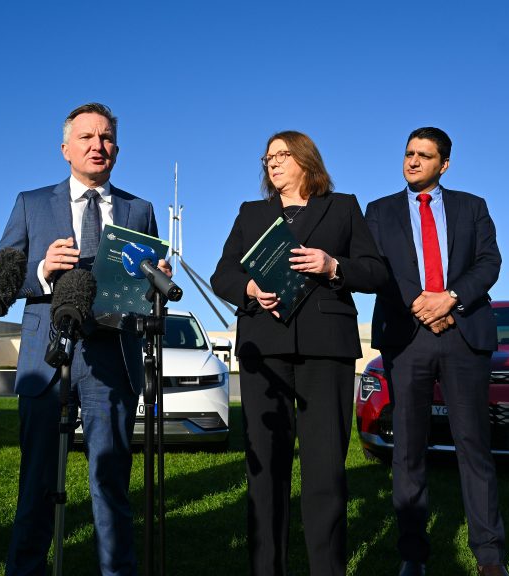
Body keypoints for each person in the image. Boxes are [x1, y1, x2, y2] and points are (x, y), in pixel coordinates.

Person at [0, 102, 170, 576]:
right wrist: (42, 271)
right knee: (36, 481)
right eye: (89, 138)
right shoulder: (31, 204)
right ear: (65, 149)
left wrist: (155, 280)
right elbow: (5, 278)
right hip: (47, 357)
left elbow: (145, 286)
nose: (99, 146)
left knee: (110, 481)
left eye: (108, 138)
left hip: (112, 358)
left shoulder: (141, 210)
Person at [210, 131, 387, 576]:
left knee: (325, 470)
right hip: (262, 350)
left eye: (282, 155)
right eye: (268, 157)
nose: (272, 163)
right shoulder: (251, 213)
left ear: (306, 160)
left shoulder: (342, 206)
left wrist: (334, 266)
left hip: (325, 350)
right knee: (265, 470)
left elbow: (376, 271)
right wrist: (249, 287)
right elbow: (222, 275)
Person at [364, 127, 508, 576]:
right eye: (408, 153)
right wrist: (421, 305)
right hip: (407, 337)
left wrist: (450, 298)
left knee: (474, 446)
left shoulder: (472, 207)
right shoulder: (379, 211)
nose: (413, 161)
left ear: (443, 164)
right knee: (407, 450)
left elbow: (489, 263)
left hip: (464, 332)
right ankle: (413, 554)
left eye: (424, 156)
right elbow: (378, 268)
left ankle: (489, 555)